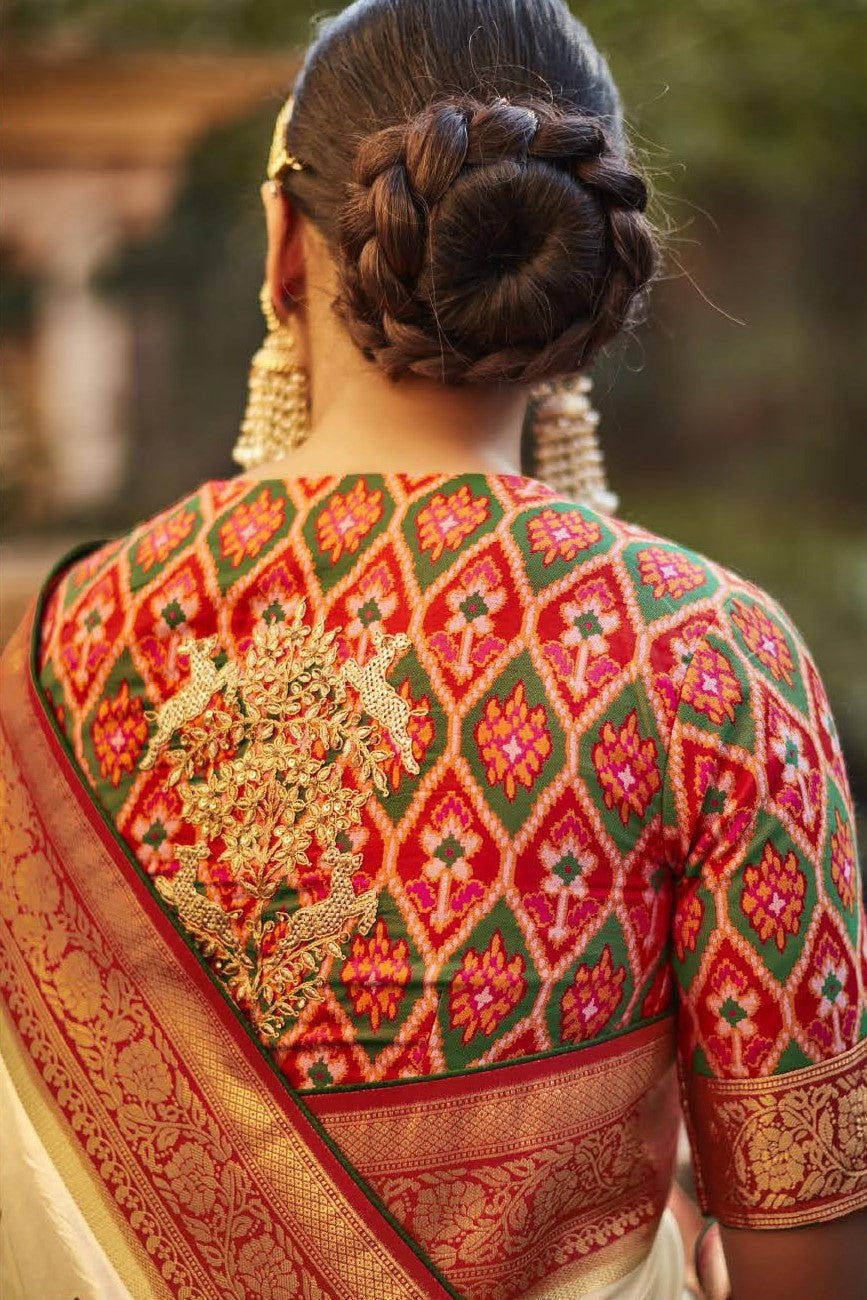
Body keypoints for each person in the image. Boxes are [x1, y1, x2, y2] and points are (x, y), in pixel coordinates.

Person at [1, 2, 865, 1297]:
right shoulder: (707, 660)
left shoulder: (61, 638)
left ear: (285, 246)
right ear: (576, 269)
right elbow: (806, 1232)